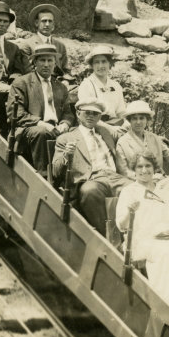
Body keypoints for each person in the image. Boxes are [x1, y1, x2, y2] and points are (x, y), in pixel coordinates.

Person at [52, 99, 130, 236]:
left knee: (137, 190)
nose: (91, 116)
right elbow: (55, 171)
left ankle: (134, 235)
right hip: (92, 178)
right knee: (89, 191)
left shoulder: (105, 132)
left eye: (95, 114)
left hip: (114, 177)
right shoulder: (66, 138)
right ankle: (110, 236)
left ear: (99, 117)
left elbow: (128, 133)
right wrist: (66, 156)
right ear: (78, 114)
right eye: (87, 112)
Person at [115, 152, 169, 301]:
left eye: (148, 166)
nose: (144, 170)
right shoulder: (128, 192)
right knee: (164, 252)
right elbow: (121, 225)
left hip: (167, 239)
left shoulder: (166, 195)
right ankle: (166, 299)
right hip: (140, 242)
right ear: (134, 169)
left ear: (154, 168)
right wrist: (130, 212)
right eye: (140, 166)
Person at [8, 44, 73, 175]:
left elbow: (68, 112)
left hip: (56, 128)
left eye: (50, 60)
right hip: (31, 128)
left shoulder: (60, 86)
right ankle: (44, 176)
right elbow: (16, 113)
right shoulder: (22, 83)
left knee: (78, 134)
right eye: (42, 60)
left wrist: (65, 124)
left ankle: (73, 179)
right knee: (42, 133)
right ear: (34, 62)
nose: (46, 64)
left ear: (55, 63)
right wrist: (41, 123)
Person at [115, 100, 169, 195]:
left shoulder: (154, 138)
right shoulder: (123, 142)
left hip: (160, 182)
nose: (138, 122)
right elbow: (124, 172)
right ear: (129, 120)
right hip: (138, 185)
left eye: (141, 118)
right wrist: (148, 177)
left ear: (147, 120)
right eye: (134, 118)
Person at [77, 46, 127, 130]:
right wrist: (111, 129)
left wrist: (126, 125)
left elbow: (121, 112)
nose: (101, 66)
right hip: (95, 126)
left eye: (104, 61)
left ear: (110, 63)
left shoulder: (116, 85)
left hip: (116, 125)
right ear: (92, 65)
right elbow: (87, 116)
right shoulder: (87, 85)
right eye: (97, 62)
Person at [24, 4, 70, 78]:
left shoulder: (60, 46)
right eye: (44, 21)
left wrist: (66, 80)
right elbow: (27, 71)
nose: (47, 24)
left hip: (59, 83)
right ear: (36, 23)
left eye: (50, 21)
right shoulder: (28, 44)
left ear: (53, 24)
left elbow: (66, 70)